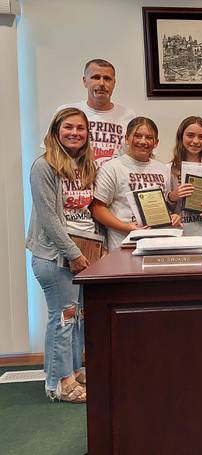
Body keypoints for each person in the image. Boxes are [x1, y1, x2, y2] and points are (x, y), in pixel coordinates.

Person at [27, 107, 97, 402]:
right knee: (64, 317)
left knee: (77, 316)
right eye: (68, 127)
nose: (74, 133)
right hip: (55, 256)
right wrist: (72, 254)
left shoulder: (85, 165)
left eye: (80, 129)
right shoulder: (44, 166)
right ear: (56, 130)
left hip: (83, 252)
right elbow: (49, 219)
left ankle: (75, 369)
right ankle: (59, 382)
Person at [90, 117, 180, 250]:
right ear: (126, 138)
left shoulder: (163, 170)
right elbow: (97, 209)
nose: (143, 141)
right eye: (137, 136)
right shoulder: (112, 168)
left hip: (159, 244)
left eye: (149, 137)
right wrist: (126, 227)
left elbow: (168, 206)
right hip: (124, 244)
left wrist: (174, 217)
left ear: (156, 142)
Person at [50, 59, 136, 167]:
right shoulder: (66, 112)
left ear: (114, 83)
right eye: (95, 77)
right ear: (85, 81)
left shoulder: (128, 116)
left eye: (107, 78)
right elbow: (51, 150)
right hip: (74, 180)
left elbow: (139, 156)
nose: (101, 83)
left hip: (115, 181)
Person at [166, 116, 202, 257]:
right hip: (181, 235)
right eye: (190, 135)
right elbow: (166, 205)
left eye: (201, 137)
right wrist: (174, 196)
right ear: (181, 137)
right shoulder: (170, 168)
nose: (196, 141)